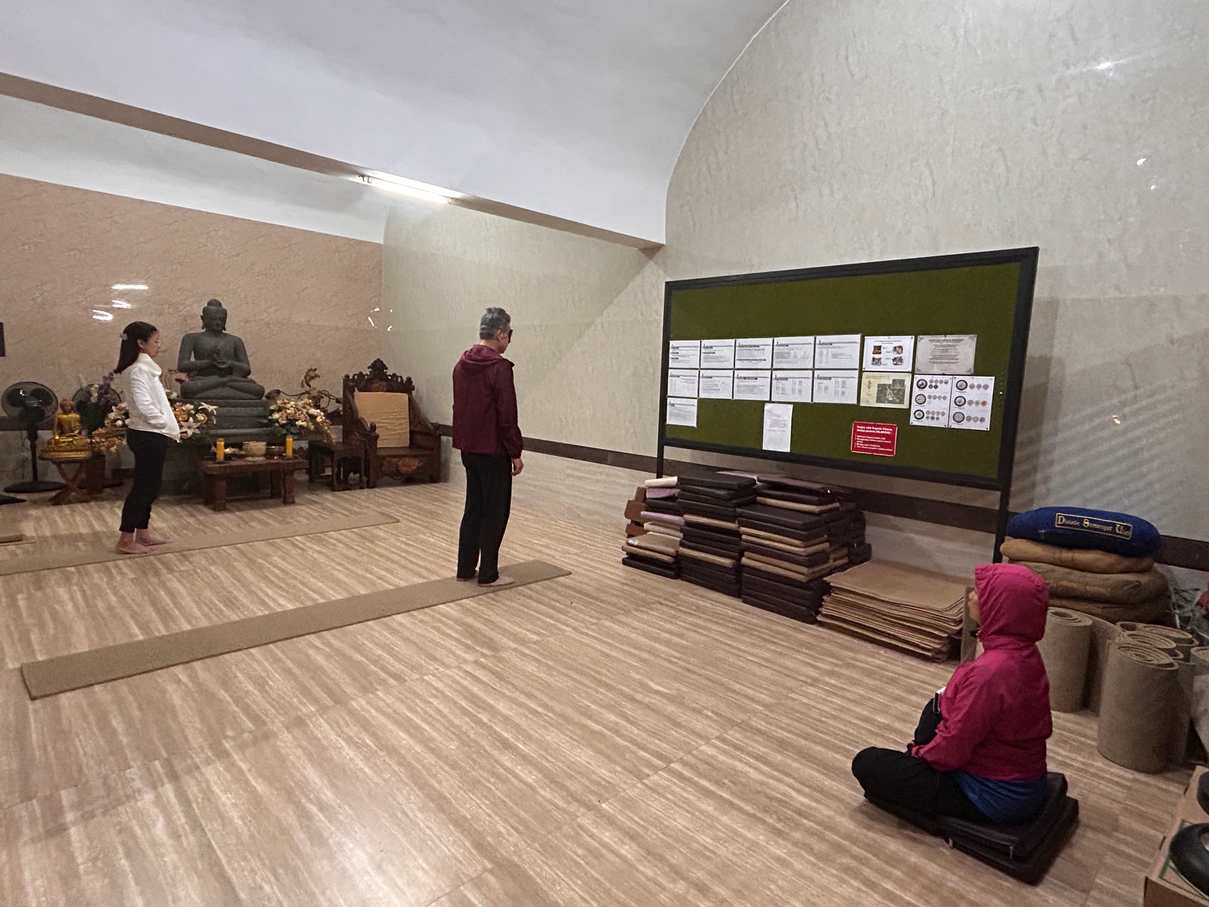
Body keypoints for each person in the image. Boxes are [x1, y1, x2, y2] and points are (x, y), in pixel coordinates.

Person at [851, 563, 1052, 824]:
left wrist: (918, 756)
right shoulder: (1025, 652)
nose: (971, 596)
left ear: (1000, 608)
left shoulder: (991, 672)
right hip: (1019, 778)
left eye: (979, 593)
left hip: (994, 795)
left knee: (867, 763)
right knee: (936, 705)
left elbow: (955, 745)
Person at [452, 307, 523, 587]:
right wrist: (515, 451)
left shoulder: (461, 364)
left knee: (473, 507)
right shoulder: (499, 368)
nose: (509, 340)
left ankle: (465, 568)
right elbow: (507, 414)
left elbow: (460, 408)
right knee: (495, 511)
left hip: (468, 448)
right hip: (493, 450)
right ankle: (488, 574)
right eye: (510, 334)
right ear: (501, 334)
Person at [113, 322, 180, 554]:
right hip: (147, 433)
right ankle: (125, 538)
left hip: (151, 433)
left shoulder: (143, 368)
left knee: (151, 486)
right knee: (143, 487)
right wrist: (162, 422)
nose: (159, 346)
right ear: (141, 343)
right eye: (155, 341)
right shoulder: (138, 370)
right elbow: (144, 405)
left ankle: (142, 532)